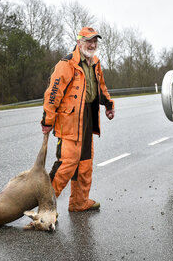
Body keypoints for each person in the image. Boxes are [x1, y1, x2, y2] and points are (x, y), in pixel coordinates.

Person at [41, 27, 115, 212]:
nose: (92, 44)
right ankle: (45, 208)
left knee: (85, 163)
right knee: (66, 165)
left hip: (89, 117)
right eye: (88, 40)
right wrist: (47, 120)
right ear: (79, 42)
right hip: (69, 121)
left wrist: (109, 105)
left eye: (94, 41)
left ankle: (79, 202)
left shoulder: (95, 63)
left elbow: (100, 88)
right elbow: (53, 94)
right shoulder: (66, 64)